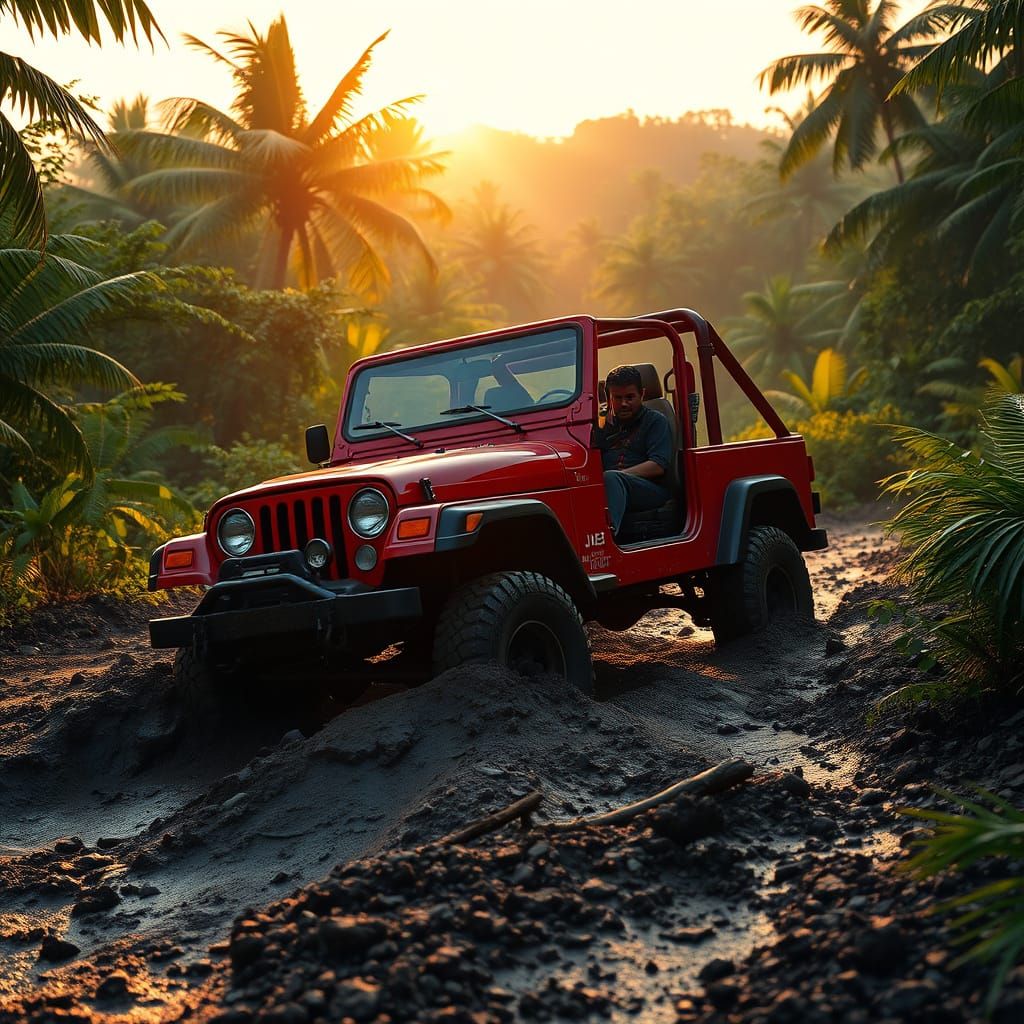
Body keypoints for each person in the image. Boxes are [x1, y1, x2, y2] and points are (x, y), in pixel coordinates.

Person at [595, 364, 672, 538]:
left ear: (642, 394)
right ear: (609, 398)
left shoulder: (655, 421)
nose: (624, 404)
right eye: (617, 397)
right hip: (608, 487)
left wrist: (620, 475)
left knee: (611, 478)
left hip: (649, 490)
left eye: (630, 397)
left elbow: (658, 465)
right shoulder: (602, 424)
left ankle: (607, 538)